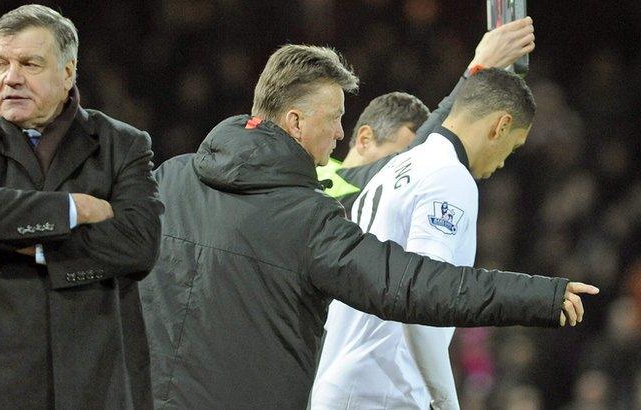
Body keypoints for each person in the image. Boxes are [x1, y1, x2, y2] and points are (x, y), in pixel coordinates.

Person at [138, 43, 598, 408]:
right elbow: (415, 284)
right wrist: (541, 295)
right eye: (336, 118)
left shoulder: (170, 177)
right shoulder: (308, 218)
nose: (340, 134)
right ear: (295, 122)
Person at [0, 5, 161, 408]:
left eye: (30, 64)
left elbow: (140, 244)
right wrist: (73, 210)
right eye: (1, 63)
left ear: (68, 73)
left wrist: (16, 235)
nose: (11, 77)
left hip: (92, 384)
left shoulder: (123, 145)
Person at [312, 67, 544, 409]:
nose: (504, 161)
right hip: (383, 390)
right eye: (513, 147)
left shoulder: (396, 168)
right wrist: (445, 401)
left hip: (343, 378)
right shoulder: (449, 177)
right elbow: (420, 298)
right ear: (501, 126)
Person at [318, 17, 537, 210]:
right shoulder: (318, 181)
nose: (408, 173)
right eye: (398, 157)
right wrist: (477, 69)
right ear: (365, 140)